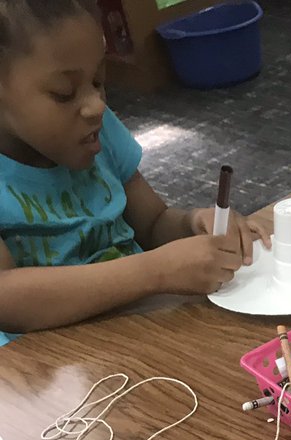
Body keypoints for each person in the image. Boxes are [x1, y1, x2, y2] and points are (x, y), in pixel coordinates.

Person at [0, 0, 270, 346]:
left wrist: (192, 224)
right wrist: (155, 271)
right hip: (46, 372)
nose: (97, 105)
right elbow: (6, 299)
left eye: (98, 81)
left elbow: (154, 223)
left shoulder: (100, 132)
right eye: (64, 93)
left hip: (144, 335)